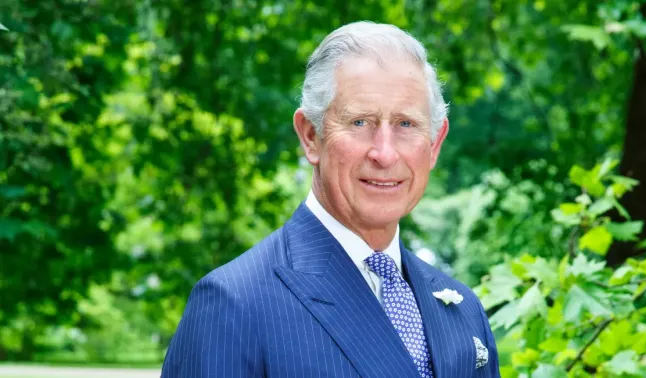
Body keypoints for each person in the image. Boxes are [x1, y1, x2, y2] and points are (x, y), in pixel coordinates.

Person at [160, 21, 500, 378]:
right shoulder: (233, 305)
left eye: (406, 124)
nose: (384, 154)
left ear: (434, 143)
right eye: (359, 122)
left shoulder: (463, 310)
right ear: (311, 136)